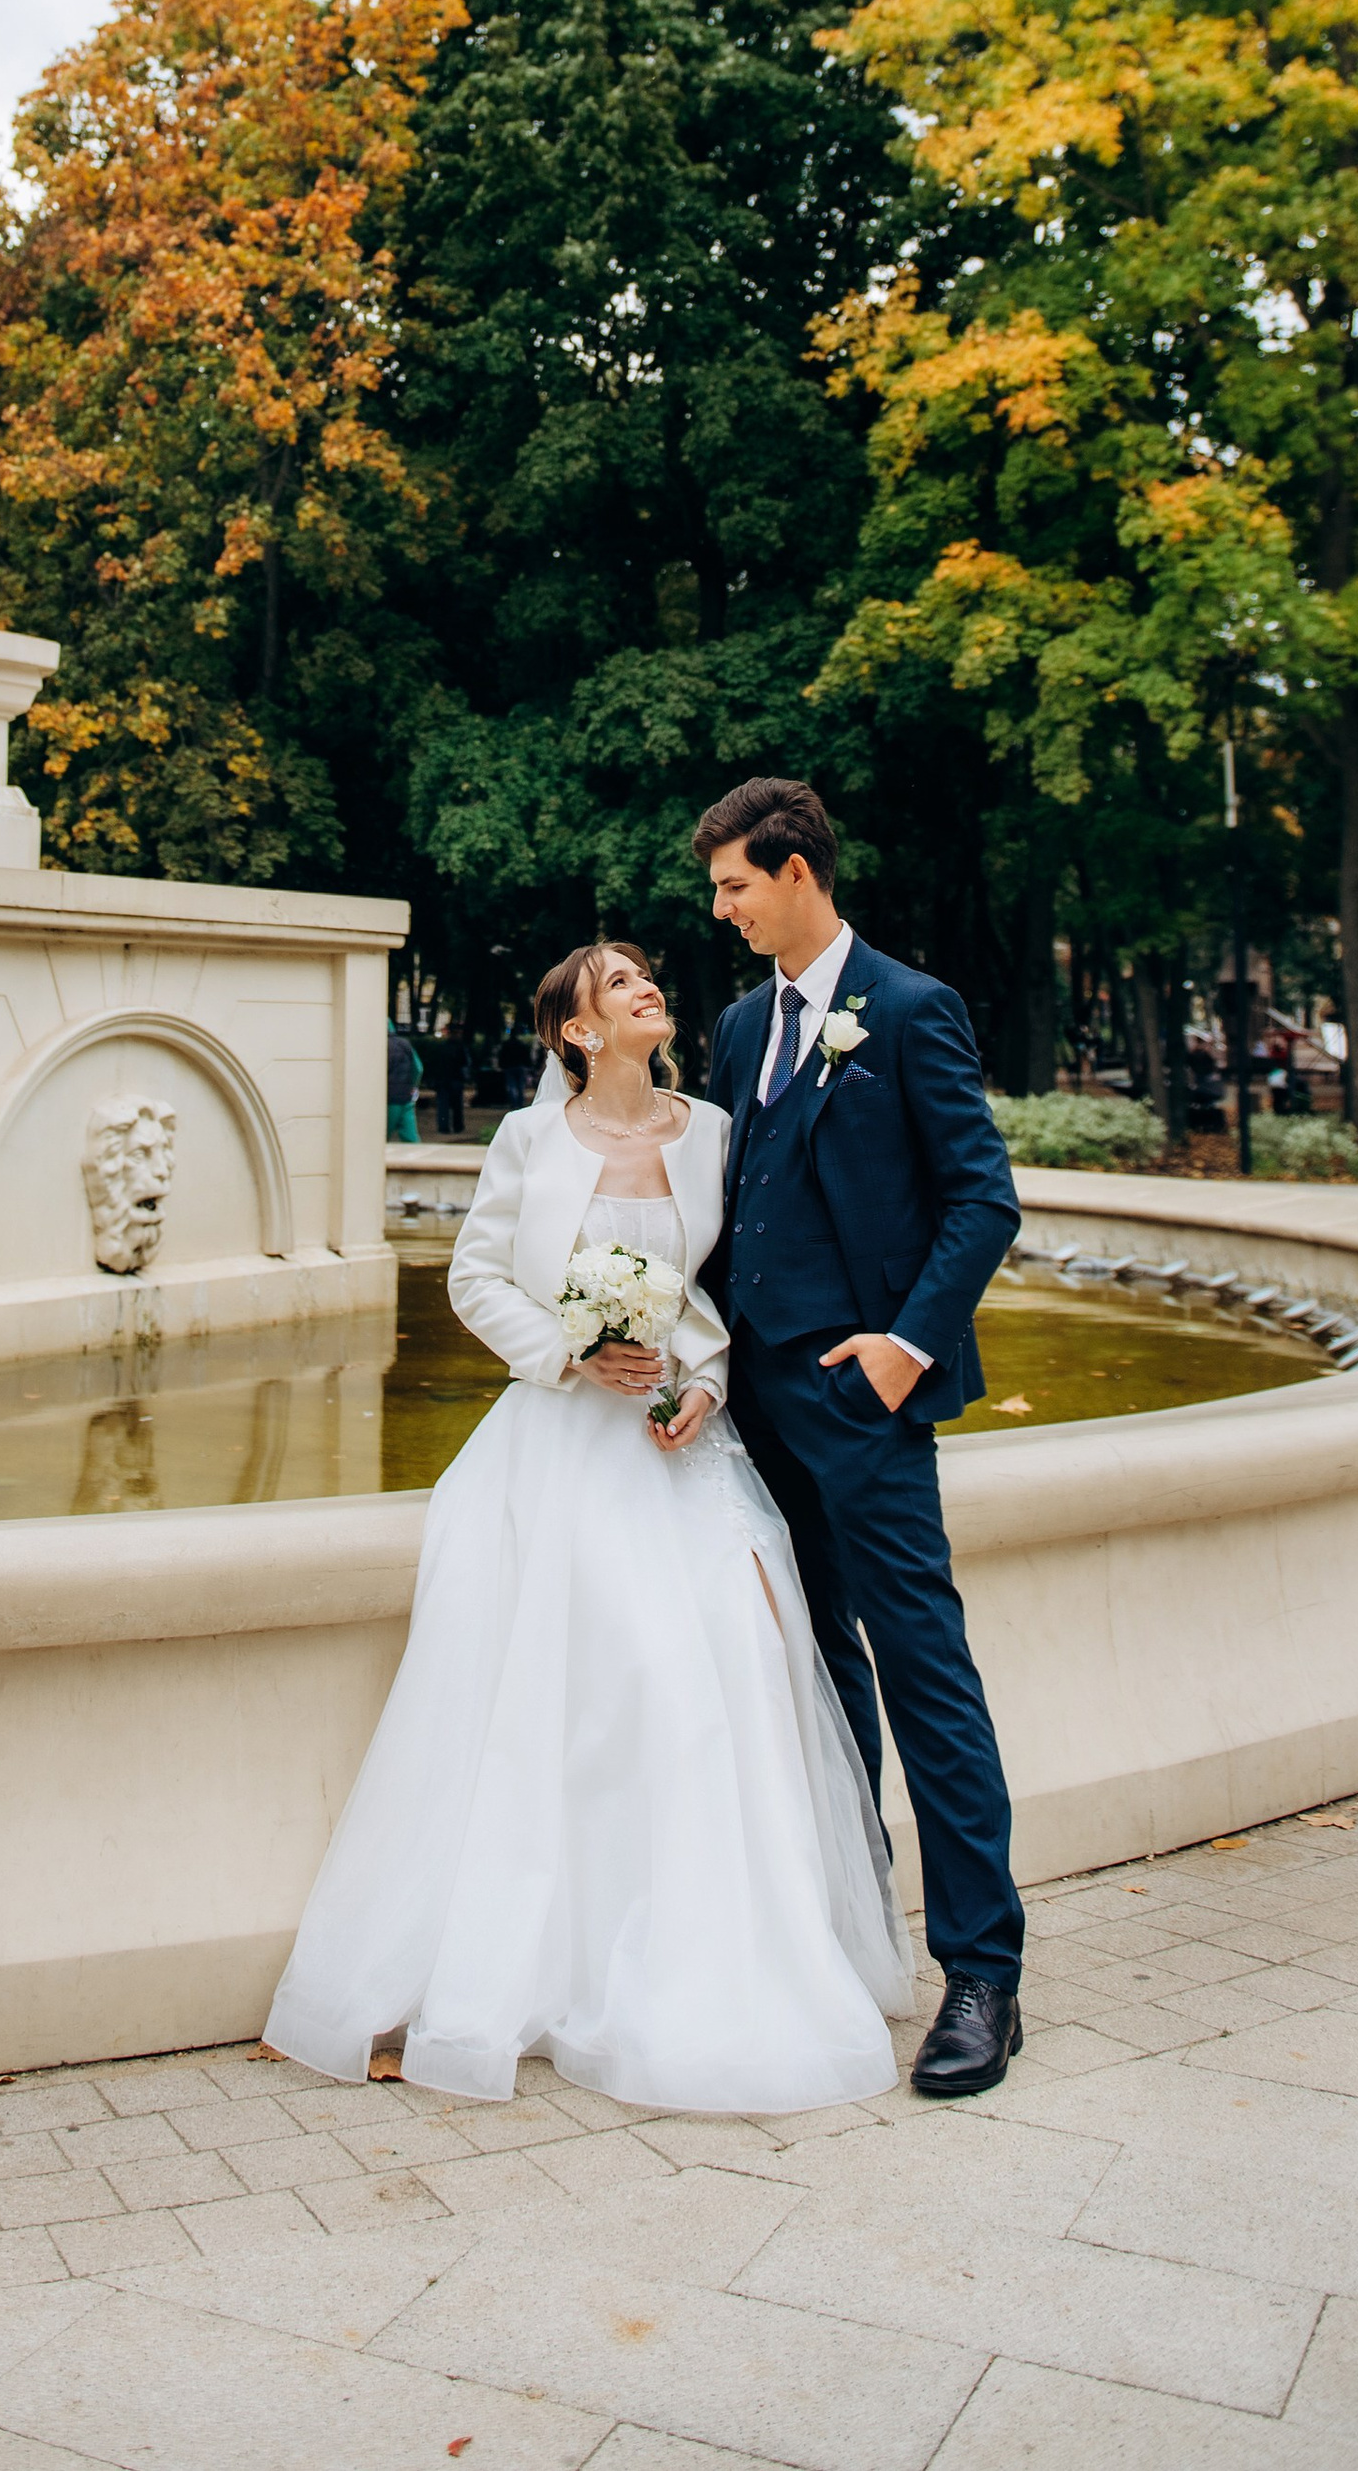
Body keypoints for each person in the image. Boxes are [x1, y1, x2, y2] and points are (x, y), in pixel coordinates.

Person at [263, 936, 907, 2109]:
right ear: (576, 1030)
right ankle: (542, 1958)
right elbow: (474, 1278)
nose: (644, 987)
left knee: (720, 1675)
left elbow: (726, 1290)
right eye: (617, 983)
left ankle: (711, 1949)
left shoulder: (713, 1130)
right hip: (557, 1447)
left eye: (644, 974)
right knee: (580, 1692)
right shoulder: (525, 1139)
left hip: (681, 1449)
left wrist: (702, 1381)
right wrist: (570, 1351)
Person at [693, 773, 1028, 2100]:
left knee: (922, 1670)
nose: (721, 909)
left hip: (865, 1400)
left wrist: (904, 1344)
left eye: (732, 883)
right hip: (758, 1409)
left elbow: (981, 1197)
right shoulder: (734, 1026)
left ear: (794, 869)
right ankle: (854, 1931)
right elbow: (732, 1204)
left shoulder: (910, 1004)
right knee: (817, 1673)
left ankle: (984, 1975)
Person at [427, 1021, 470, 1138]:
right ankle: (458, 1126)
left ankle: (443, 1126)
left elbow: (433, 1064)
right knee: (457, 1105)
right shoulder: (461, 1048)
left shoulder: (441, 1048)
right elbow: (464, 1064)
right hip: (456, 1079)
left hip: (442, 1080)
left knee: (443, 1105)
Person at [385, 1018, 422, 1147]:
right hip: (406, 1097)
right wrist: (413, 1086)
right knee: (411, 1138)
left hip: (388, 1099)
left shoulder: (380, 1045)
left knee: (380, 1139)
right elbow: (418, 1068)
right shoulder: (405, 1044)